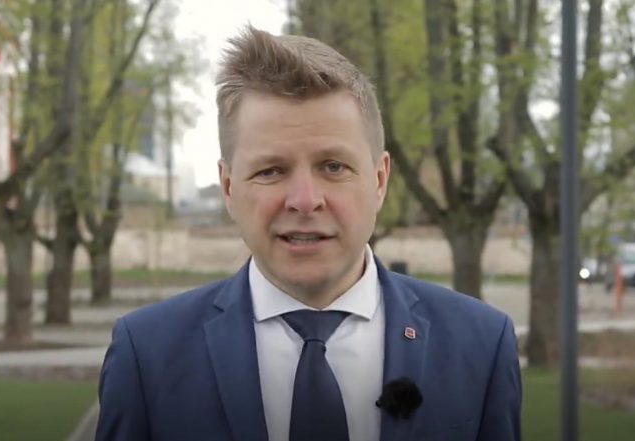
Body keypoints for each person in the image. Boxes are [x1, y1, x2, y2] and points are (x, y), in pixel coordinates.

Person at [96, 25, 521, 441]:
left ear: (379, 179)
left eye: (333, 167)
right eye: (270, 171)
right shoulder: (146, 354)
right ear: (228, 188)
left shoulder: (481, 345)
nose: (304, 200)